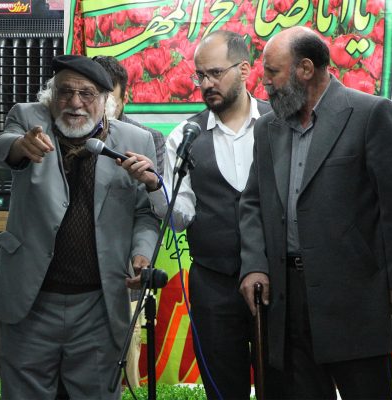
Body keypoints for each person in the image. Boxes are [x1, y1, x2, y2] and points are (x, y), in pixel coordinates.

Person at [238, 26, 392, 399]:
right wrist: (254, 264)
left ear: (305, 69)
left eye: (272, 71)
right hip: (286, 300)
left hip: (356, 297)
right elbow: (253, 201)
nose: (263, 81)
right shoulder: (269, 127)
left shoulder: (370, 113)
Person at [0, 54, 160, 400]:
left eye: (87, 94)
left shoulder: (135, 141)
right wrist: (21, 146)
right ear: (51, 97)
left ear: (106, 102)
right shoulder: (29, 119)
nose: (75, 103)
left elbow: (146, 212)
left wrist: (141, 254)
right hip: (32, 301)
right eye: (65, 92)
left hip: (98, 303)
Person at [120, 30, 271, 399]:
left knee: (284, 382)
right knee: (222, 385)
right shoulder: (186, 136)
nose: (206, 84)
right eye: (200, 75)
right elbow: (180, 216)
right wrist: (155, 186)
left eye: (216, 73)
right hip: (213, 283)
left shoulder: (279, 123)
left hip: (277, 280)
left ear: (245, 70)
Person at [93, 54, 167, 388]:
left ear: (126, 98)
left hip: (121, 268)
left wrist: (141, 255)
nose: (101, 105)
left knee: (124, 361)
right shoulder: (68, 131)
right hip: (72, 270)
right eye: (94, 94)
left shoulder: (146, 139)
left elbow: (151, 209)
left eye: (110, 98)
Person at [93, 55, 166, 172]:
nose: (101, 109)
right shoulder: (75, 131)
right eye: (93, 97)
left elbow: (157, 182)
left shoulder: (151, 138)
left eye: (109, 103)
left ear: (125, 99)